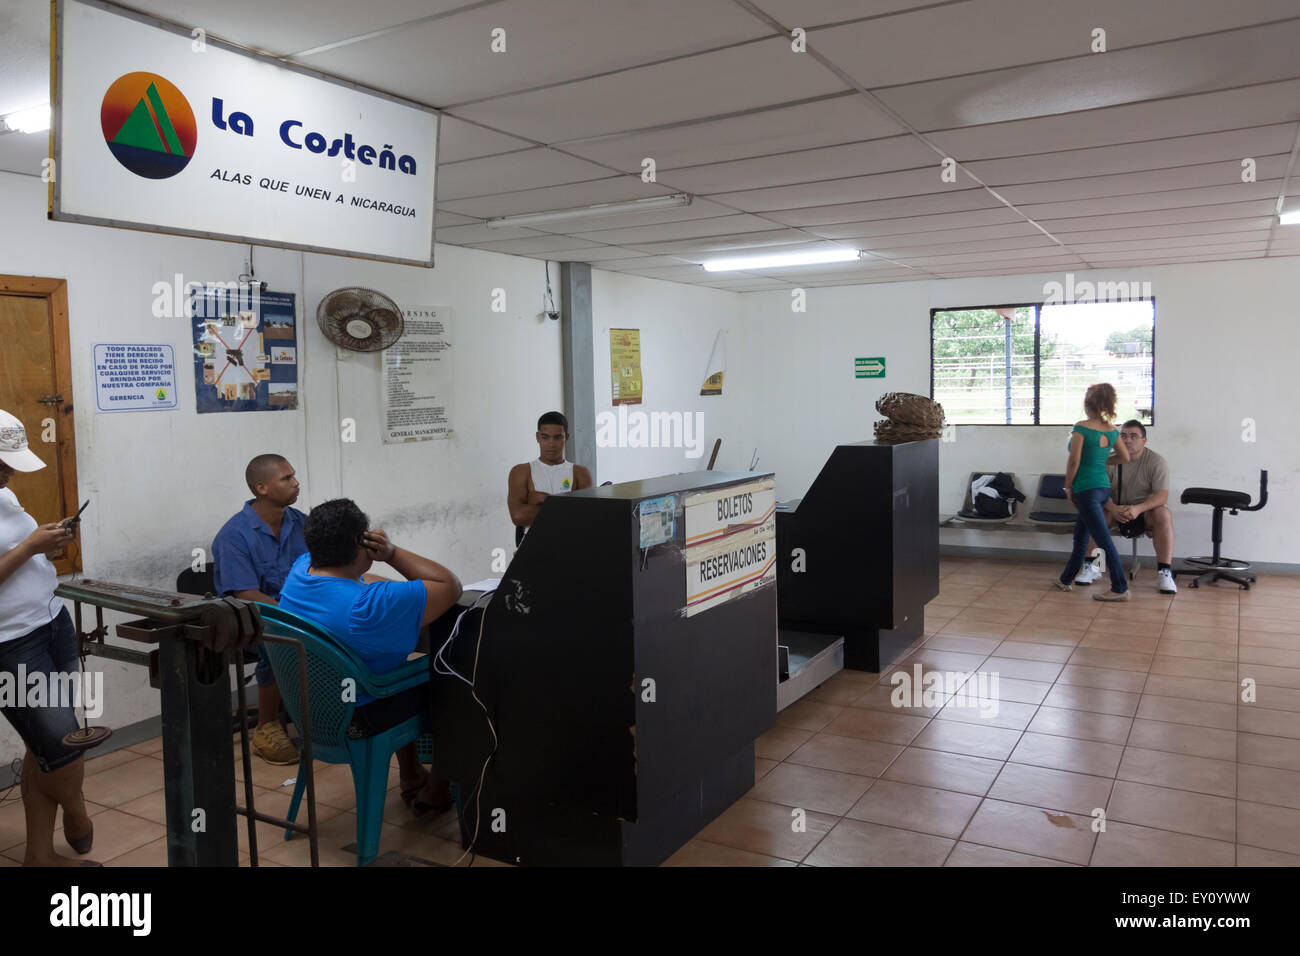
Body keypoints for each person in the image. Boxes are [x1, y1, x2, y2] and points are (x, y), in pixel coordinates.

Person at [277, 499, 462, 815]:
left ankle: (411, 772)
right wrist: (391, 553)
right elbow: (449, 585)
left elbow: (359, 583)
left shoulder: (301, 571)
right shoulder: (367, 607)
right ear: (360, 542)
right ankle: (436, 792)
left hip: (311, 709)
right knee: (455, 689)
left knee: (392, 668)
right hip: (355, 717)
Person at [0, 409, 99, 866]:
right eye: (1, 465)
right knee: (61, 746)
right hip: (11, 643)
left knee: (45, 746)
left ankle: (39, 856)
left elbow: (19, 554)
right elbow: (16, 552)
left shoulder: (3, 495)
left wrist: (47, 545)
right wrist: (29, 548)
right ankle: (77, 814)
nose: (7, 475)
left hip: (50, 623)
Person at [212, 454, 306, 765]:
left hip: (295, 611)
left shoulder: (301, 523)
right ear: (261, 487)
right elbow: (246, 593)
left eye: (293, 476)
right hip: (251, 617)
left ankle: (322, 713)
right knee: (283, 636)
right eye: (286, 478)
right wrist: (294, 615)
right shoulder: (234, 536)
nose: (296, 483)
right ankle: (267, 726)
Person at [1073, 420, 1176, 594]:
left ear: (1144, 440)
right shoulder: (1107, 460)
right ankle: (1094, 566)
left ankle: (1164, 572)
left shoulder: (1156, 462)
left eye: (1133, 436)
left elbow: (1162, 496)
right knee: (1092, 512)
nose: (1127, 440)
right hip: (1113, 508)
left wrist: (1138, 509)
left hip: (1143, 511)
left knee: (1163, 514)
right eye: (1123, 436)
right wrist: (1113, 508)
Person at [1056, 384, 1131, 600]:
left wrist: (1068, 487)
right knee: (1081, 536)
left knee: (1103, 539)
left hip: (1085, 489)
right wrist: (1102, 460)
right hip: (1102, 487)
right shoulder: (1111, 429)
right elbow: (1125, 457)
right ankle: (1065, 579)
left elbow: (1074, 461)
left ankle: (1120, 588)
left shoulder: (1081, 427)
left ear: (1086, 403)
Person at [507, 411, 593, 537]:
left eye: (557, 437)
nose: (551, 444)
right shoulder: (521, 471)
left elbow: (585, 518)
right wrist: (568, 507)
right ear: (537, 437)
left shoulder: (580, 473)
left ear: (566, 437)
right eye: (545, 437)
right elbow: (518, 516)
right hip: (533, 546)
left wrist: (545, 499)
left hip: (570, 543)